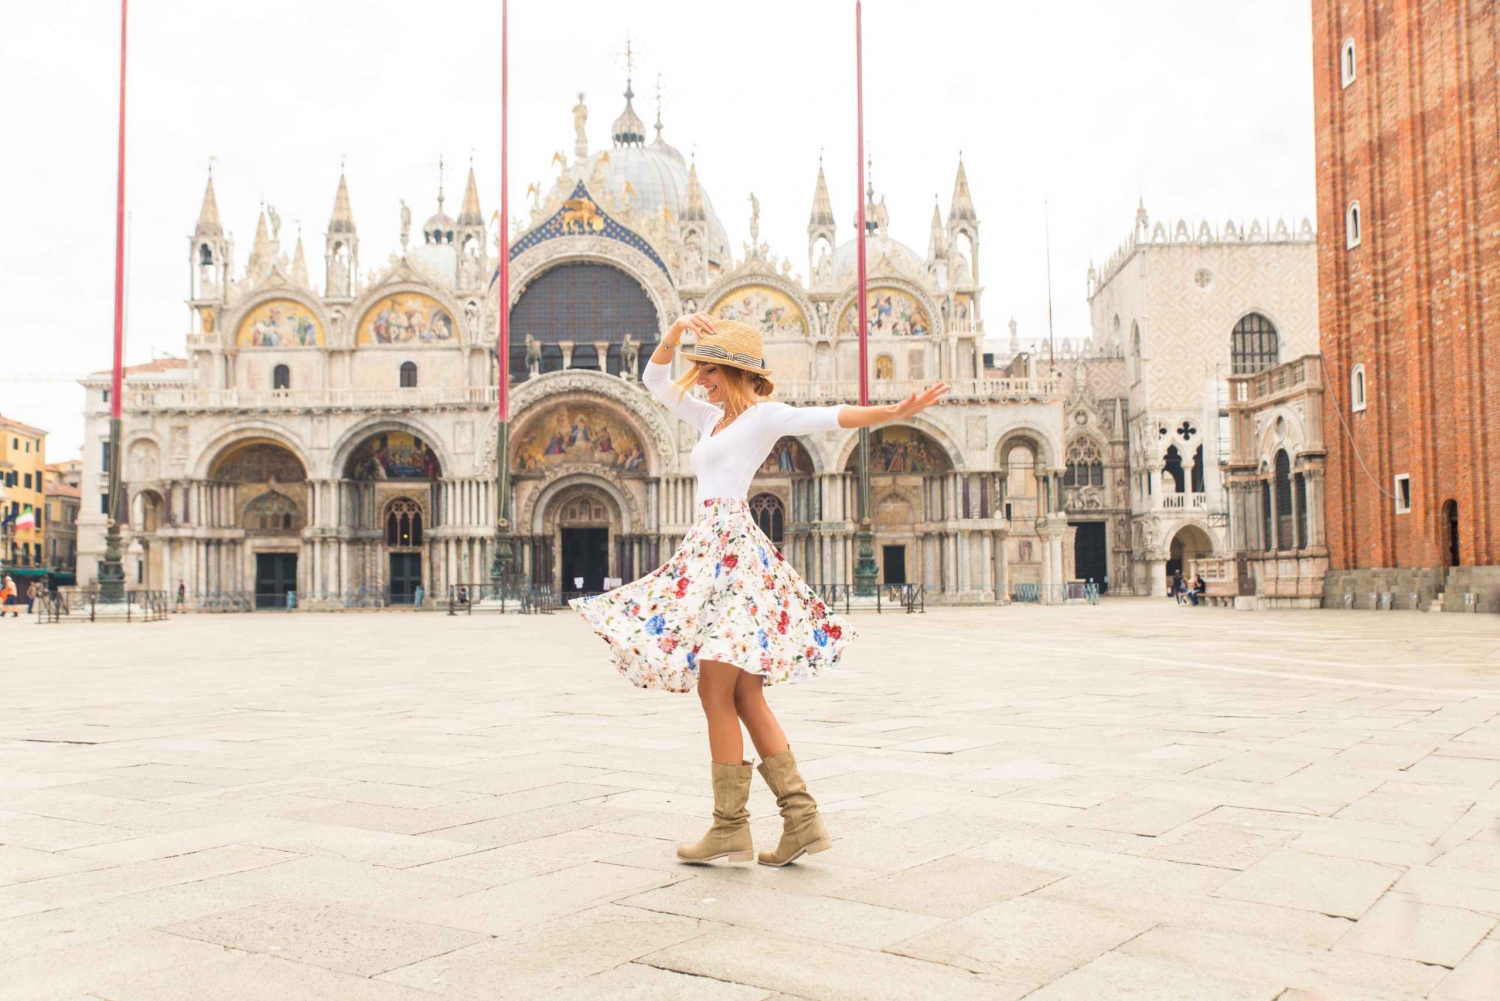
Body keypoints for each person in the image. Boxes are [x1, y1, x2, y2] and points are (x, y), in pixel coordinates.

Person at [573, 314, 949, 866]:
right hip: (709, 548)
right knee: (744, 693)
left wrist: (891, 413)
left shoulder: (763, 417)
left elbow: (828, 417)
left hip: (732, 553)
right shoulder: (707, 418)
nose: (698, 380)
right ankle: (801, 820)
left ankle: (731, 826)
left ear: (729, 372)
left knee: (715, 690)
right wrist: (676, 330)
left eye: (706, 371)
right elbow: (654, 382)